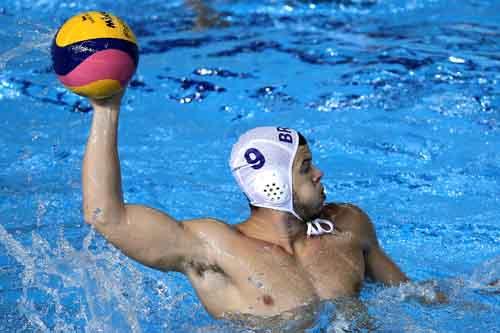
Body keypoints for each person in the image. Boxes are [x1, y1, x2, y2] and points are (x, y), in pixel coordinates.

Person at [82, 90, 408, 320]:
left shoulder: (348, 226)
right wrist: (106, 109)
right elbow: (105, 217)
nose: (319, 173)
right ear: (274, 181)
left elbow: (413, 297)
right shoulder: (215, 249)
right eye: (306, 167)